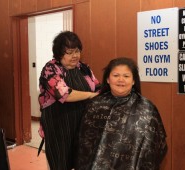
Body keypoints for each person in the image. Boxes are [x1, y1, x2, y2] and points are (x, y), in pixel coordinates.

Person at [76, 57, 167, 170]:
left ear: (134, 80)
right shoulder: (94, 105)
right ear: (108, 79)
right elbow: (83, 145)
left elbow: (158, 145)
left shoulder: (147, 109)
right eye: (116, 75)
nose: (121, 80)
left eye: (126, 76)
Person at [38, 31, 100, 170]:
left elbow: (98, 87)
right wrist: (90, 95)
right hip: (59, 125)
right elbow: (64, 94)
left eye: (77, 51)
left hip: (82, 125)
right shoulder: (51, 69)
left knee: (81, 161)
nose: (75, 56)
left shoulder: (84, 68)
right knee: (60, 162)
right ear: (59, 54)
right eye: (69, 52)